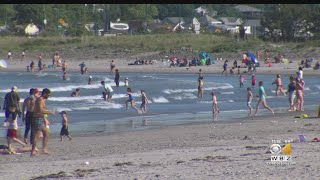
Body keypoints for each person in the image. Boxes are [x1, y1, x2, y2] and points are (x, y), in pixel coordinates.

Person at [31, 88, 56, 156]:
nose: (48, 96)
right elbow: (40, 110)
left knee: (46, 132)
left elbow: (42, 111)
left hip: (41, 119)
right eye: (48, 95)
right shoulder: (40, 100)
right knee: (37, 135)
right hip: (37, 119)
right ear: (44, 94)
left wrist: (45, 118)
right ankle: (33, 150)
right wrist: (50, 112)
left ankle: (44, 149)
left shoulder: (42, 100)